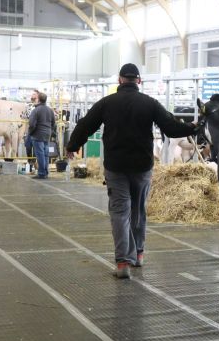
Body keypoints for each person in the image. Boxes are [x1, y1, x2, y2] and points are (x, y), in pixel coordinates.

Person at [65, 63, 199, 279]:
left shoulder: (106, 103)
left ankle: (122, 263)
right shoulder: (150, 103)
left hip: (116, 167)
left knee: (119, 212)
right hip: (142, 166)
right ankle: (138, 254)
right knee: (138, 210)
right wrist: (194, 126)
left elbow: (85, 124)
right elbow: (172, 128)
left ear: (119, 80)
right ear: (139, 81)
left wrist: (73, 145)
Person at [27, 92, 56, 179]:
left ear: (38, 99)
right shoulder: (50, 110)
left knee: (40, 155)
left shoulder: (35, 110)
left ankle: (41, 173)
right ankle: (46, 172)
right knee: (46, 155)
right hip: (47, 135)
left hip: (37, 135)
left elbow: (32, 124)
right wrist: (49, 131)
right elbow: (53, 123)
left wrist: (31, 132)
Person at [25, 90, 40, 171]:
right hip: (30, 130)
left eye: (34, 94)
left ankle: (35, 164)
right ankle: (30, 163)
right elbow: (25, 116)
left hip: (38, 131)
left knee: (36, 148)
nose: (32, 95)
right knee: (28, 146)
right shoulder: (29, 106)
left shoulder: (41, 106)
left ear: (38, 96)